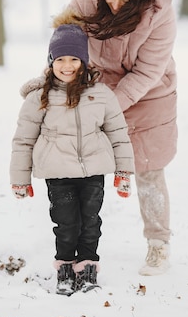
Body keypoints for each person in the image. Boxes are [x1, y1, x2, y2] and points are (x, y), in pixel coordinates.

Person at [63, 0, 177, 276]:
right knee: (79, 166)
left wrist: (108, 106)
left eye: (125, 0)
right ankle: (75, 247)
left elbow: (146, 73)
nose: (114, 4)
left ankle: (158, 245)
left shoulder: (160, 15)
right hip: (98, 84)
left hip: (149, 91)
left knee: (148, 168)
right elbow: (66, 42)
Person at [9, 22, 135, 296]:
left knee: (91, 222)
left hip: (94, 170)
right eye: (61, 59)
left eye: (74, 59)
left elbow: (118, 133)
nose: (67, 66)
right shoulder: (39, 97)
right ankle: (65, 270)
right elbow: (23, 139)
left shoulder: (100, 94)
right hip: (58, 172)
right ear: (51, 61)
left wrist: (123, 171)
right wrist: (20, 179)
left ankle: (88, 269)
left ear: (84, 62)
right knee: (66, 223)